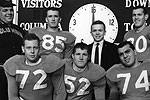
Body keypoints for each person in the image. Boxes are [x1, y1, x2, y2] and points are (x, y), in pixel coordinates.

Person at [4, 33, 66, 100]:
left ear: (39, 48)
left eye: (35, 48)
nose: (32, 51)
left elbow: (60, 92)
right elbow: (13, 96)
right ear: (23, 49)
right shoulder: (14, 64)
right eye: (28, 48)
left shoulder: (50, 63)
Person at [88, 20, 120, 99]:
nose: (97, 33)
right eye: (94, 31)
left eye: (100, 30)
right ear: (91, 33)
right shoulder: (87, 49)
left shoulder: (113, 49)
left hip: (107, 88)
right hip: (89, 88)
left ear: (105, 32)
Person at [0, 0, 26, 65]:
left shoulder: (19, 29)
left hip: (18, 68)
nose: (9, 13)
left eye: (11, 10)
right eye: (5, 10)